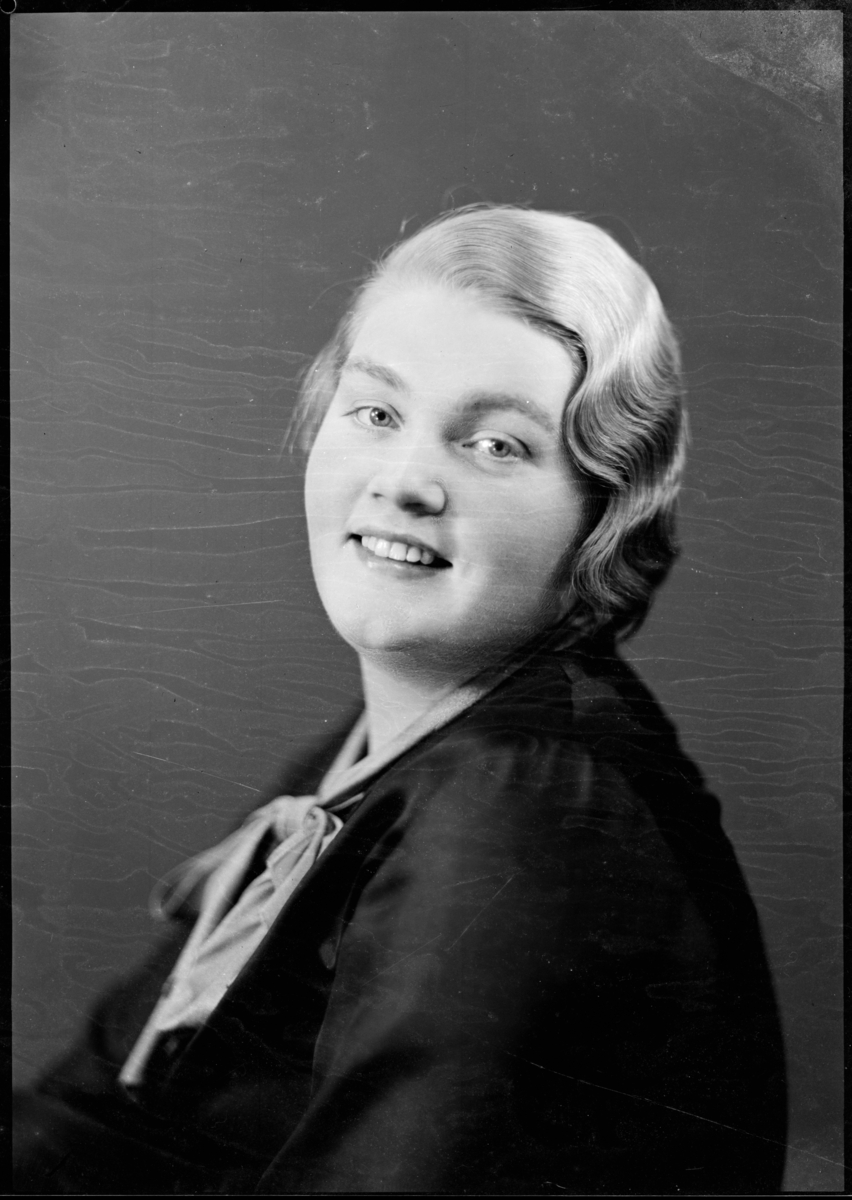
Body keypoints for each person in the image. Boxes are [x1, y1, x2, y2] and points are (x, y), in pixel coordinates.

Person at [13, 205, 787, 1194]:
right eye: (377, 414)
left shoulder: (519, 801)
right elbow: (108, 1114)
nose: (406, 481)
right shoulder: (389, 744)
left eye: (496, 445)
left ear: (604, 509)